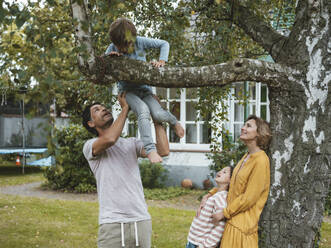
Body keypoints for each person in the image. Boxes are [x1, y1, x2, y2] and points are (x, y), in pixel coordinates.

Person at [82, 93, 169, 248]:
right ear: (91, 123)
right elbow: (110, 139)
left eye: (104, 107)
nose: (103, 109)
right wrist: (125, 108)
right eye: (97, 110)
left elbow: (163, 151)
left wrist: (157, 119)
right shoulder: (90, 146)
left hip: (140, 220)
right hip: (112, 224)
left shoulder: (131, 143)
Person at [105, 17, 184, 164]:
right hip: (127, 93)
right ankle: (150, 149)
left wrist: (161, 61)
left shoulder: (140, 41)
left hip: (145, 90)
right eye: (119, 46)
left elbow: (164, 44)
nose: (122, 49)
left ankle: (174, 122)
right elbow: (102, 65)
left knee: (159, 114)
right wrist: (110, 59)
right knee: (142, 110)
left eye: (126, 45)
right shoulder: (112, 48)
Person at [201, 115, 272, 248]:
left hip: (242, 228)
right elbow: (232, 184)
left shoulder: (261, 160)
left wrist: (224, 213)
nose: (243, 128)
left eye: (248, 126)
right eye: (244, 125)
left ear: (259, 133)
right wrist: (210, 194)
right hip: (232, 222)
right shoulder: (246, 157)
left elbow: (250, 197)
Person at [186, 166, 233, 248]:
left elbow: (220, 227)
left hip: (200, 244)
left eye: (224, 172)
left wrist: (205, 245)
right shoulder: (216, 195)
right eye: (221, 170)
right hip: (193, 240)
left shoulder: (221, 198)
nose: (220, 172)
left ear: (230, 180)